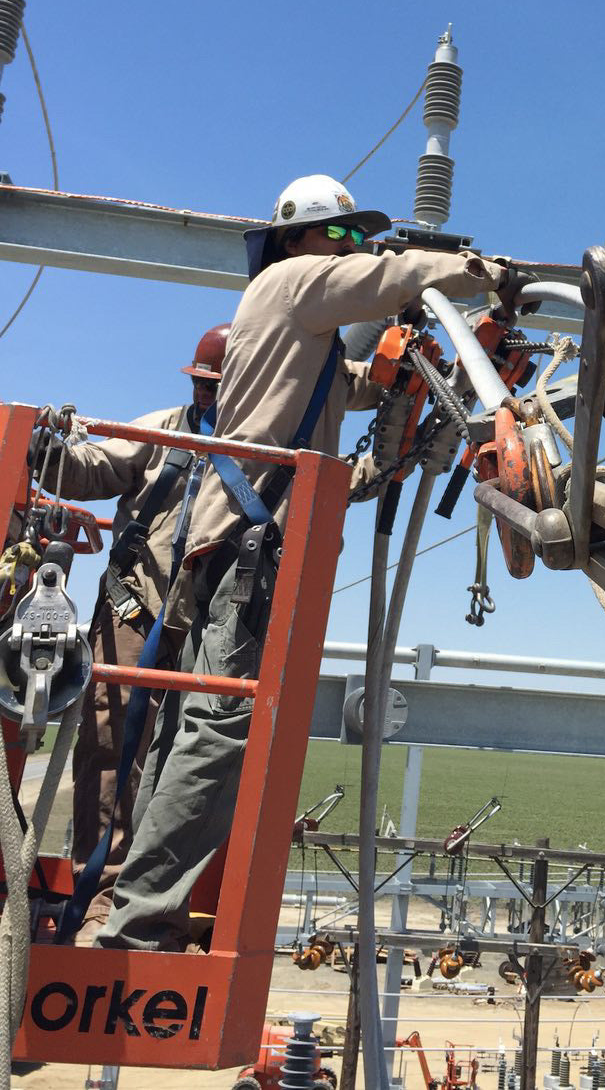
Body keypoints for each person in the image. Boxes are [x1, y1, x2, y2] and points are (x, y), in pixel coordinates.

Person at [100, 175, 509, 951]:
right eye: (343, 235)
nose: (355, 247)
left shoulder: (297, 330)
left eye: (360, 238)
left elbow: (352, 387)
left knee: (190, 727)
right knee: (220, 730)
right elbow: (391, 276)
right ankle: (140, 923)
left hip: (234, 544)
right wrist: (479, 272)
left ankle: (137, 904)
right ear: (296, 239)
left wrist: (401, 378)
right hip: (251, 544)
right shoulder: (291, 283)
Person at [37, 324, 229, 942]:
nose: (205, 396)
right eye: (202, 384)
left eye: (216, 386)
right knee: (107, 745)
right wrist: (46, 450)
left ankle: (155, 901)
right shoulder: (163, 431)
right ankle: (101, 893)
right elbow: (93, 468)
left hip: (213, 625)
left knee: (191, 758)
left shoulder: (262, 448)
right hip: (134, 611)